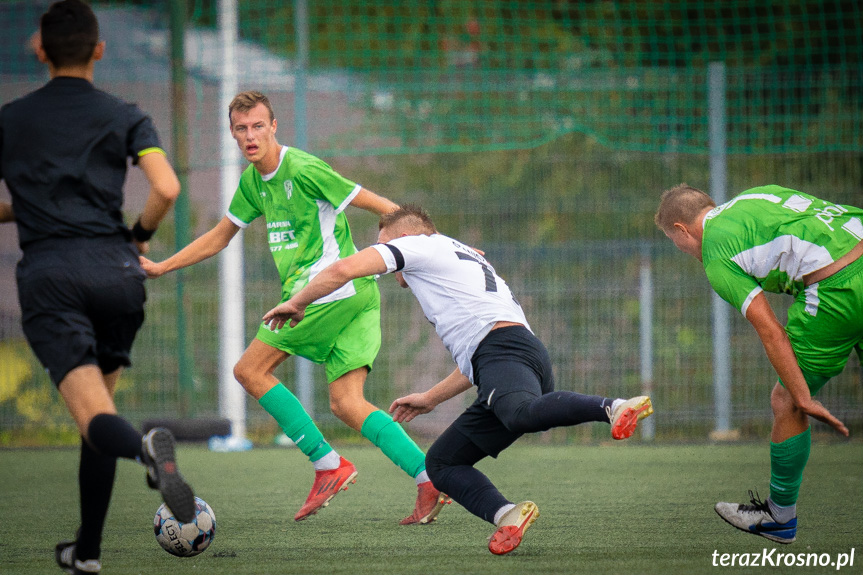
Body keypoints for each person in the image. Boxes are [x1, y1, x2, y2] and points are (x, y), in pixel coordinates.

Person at [261, 205, 655, 555]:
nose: (379, 254)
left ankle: (613, 406)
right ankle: (507, 515)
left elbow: (344, 268)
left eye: (382, 244)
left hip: (505, 351)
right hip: (506, 354)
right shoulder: (453, 256)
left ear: (405, 238)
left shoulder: (421, 246)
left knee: (519, 414)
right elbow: (476, 355)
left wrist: (299, 301)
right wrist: (431, 397)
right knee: (442, 462)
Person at [139, 91, 445, 525]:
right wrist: (164, 266)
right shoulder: (251, 183)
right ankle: (426, 477)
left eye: (258, 126)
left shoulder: (302, 167)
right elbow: (220, 236)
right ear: (232, 133)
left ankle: (327, 465)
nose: (250, 136)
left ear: (274, 126)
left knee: (249, 370)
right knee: (346, 403)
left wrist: (437, 245)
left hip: (326, 292)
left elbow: (380, 205)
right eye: (241, 128)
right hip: (358, 296)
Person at [0, 2, 197, 574]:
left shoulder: (11, 119)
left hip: (53, 278)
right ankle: (86, 553)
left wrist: (28, 211)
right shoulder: (126, 114)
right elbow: (166, 187)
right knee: (98, 416)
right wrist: (138, 236)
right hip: (118, 276)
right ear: (99, 50)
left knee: (95, 421)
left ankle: (147, 450)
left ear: (39, 50)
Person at [655, 183, 861, 544]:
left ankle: (779, 516)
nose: (684, 251)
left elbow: (772, 332)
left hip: (840, 291)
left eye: (677, 244)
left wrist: (803, 397)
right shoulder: (756, 196)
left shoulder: (717, 253)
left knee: (786, 399)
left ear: (681, 230)